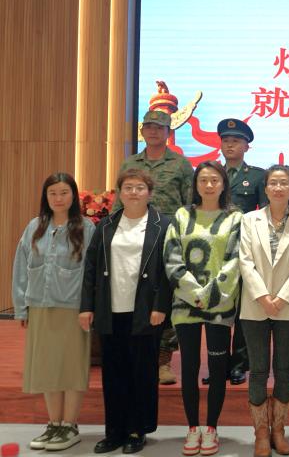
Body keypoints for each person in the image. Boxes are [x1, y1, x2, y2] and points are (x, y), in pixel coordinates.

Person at [80, 168, 172, 454]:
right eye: (128, 187)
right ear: (120, 193)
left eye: (139, 187)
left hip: (145, 310)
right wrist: (86, 307)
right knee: (113, 373)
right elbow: (91, 268)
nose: (134, 192)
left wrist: (160, 306)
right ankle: (114, 431)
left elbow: (168, 271)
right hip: (110, 309)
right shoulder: (106, 225)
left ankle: (137, 429)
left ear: (150, 193)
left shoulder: (162, 225)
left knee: (142, 372)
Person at [164, 161, 243, 456]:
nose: (209, 185)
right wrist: (195, 293)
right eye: (203, 180)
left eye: (214, 180)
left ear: (223, 184)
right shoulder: (182, 216)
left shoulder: (235, 218)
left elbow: (236, 260)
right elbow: (171, 258)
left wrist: (210, 294)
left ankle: (211, 427)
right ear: (195, 184)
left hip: (220, 304)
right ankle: (192, 427)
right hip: (185, 305)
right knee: (189, 367)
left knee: (218, 367)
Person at [13, 173, 95, 451]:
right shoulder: (34, 227)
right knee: (47, 368)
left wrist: (88, 306)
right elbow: (21, 267)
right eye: (53, 193)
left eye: (64, 192)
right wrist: (22, 307)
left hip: (73, 309)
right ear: (45, 197)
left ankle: (70, 425)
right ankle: (54, 424)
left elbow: (91, 272)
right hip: (40, 306)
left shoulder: (86, 227)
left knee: (71, 367)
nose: (58, 199)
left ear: (73, 195)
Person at [238, 165, 289, 457]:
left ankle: (278, 431)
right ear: (266, 188)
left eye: (284, 183)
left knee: (284, 369)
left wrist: (281, 298)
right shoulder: (249, 220)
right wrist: (262, 296)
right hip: (255, 304)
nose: (278, 188)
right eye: (273, 183)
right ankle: (260, 433)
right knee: (258, 369)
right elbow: (245, 261)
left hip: (288, 306)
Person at [116, 109, 193, 385]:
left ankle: (163, 361)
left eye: (159, 128)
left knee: (166, 298)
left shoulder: (181, 165)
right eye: (149, 127)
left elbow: (189, 206)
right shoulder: (130, 164)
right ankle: (136, 356)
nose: (153, 131)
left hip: (167, 240)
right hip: (132, 240)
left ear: (168, 132)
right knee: (134, 297)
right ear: (142, 131)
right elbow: (118, 201)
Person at [218, 117, 268, 386]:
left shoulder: (258, 176)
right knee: (217, 310)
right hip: (214, 253)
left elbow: (265, 216)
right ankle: (217, 363)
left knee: (242, 312)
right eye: (226, 141)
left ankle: (239, 364)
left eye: (236, 141)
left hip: (244, 251)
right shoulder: (211, 173)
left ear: (247, 146)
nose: (230, 145)